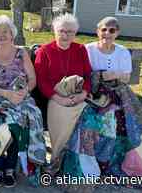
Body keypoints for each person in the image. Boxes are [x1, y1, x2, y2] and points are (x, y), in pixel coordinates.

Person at [61, 17, 142, 189]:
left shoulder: (122, 52)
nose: (107, 33)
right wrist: (103, 75)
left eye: (112, 30)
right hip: (92, 93)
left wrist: (112, 76)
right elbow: (81, 74)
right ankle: (90, 164)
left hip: (119, 93)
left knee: (129, 120)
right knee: (91, 120)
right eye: (104, 29)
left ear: (117, 33)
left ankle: (115, 161)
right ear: (98, 31)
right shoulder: (87, 49)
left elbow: (125, 77)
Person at [0, 15, 46, 188]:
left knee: (22, 120)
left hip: (20, 96)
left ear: (12, 34)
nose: (1, 35)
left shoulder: (21, 53)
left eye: (5, 32)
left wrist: (24, 91)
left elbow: (32, 79)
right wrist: (5, 93)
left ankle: (10, 167)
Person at [34, 13, 92, 173]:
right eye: (62, 31)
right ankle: (57, 160)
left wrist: (84, 93)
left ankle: (80, 161)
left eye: (70, 32)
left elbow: (88, 75)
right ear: (55, 31)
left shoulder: (80, 49)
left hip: (79, 96)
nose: (65, 35)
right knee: (62, 119)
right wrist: (58, 98)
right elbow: (41, 80)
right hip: (55, 97)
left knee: (90, 119)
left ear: (75, 33)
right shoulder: (44, 51)